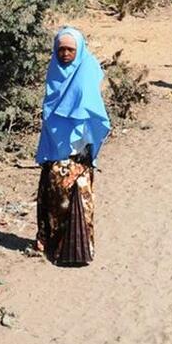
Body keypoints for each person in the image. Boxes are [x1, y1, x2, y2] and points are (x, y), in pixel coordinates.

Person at [35, 27, 111, 265]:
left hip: (78, 154)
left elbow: (94, 116)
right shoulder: (54, 72)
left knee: (78, 203)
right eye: (61, 49)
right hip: (54, 151)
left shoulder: (87, 71)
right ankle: (52, 248)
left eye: (70, 49)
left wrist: (85, 155)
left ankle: (78, 253)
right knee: (53, 200)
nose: (66, 54)